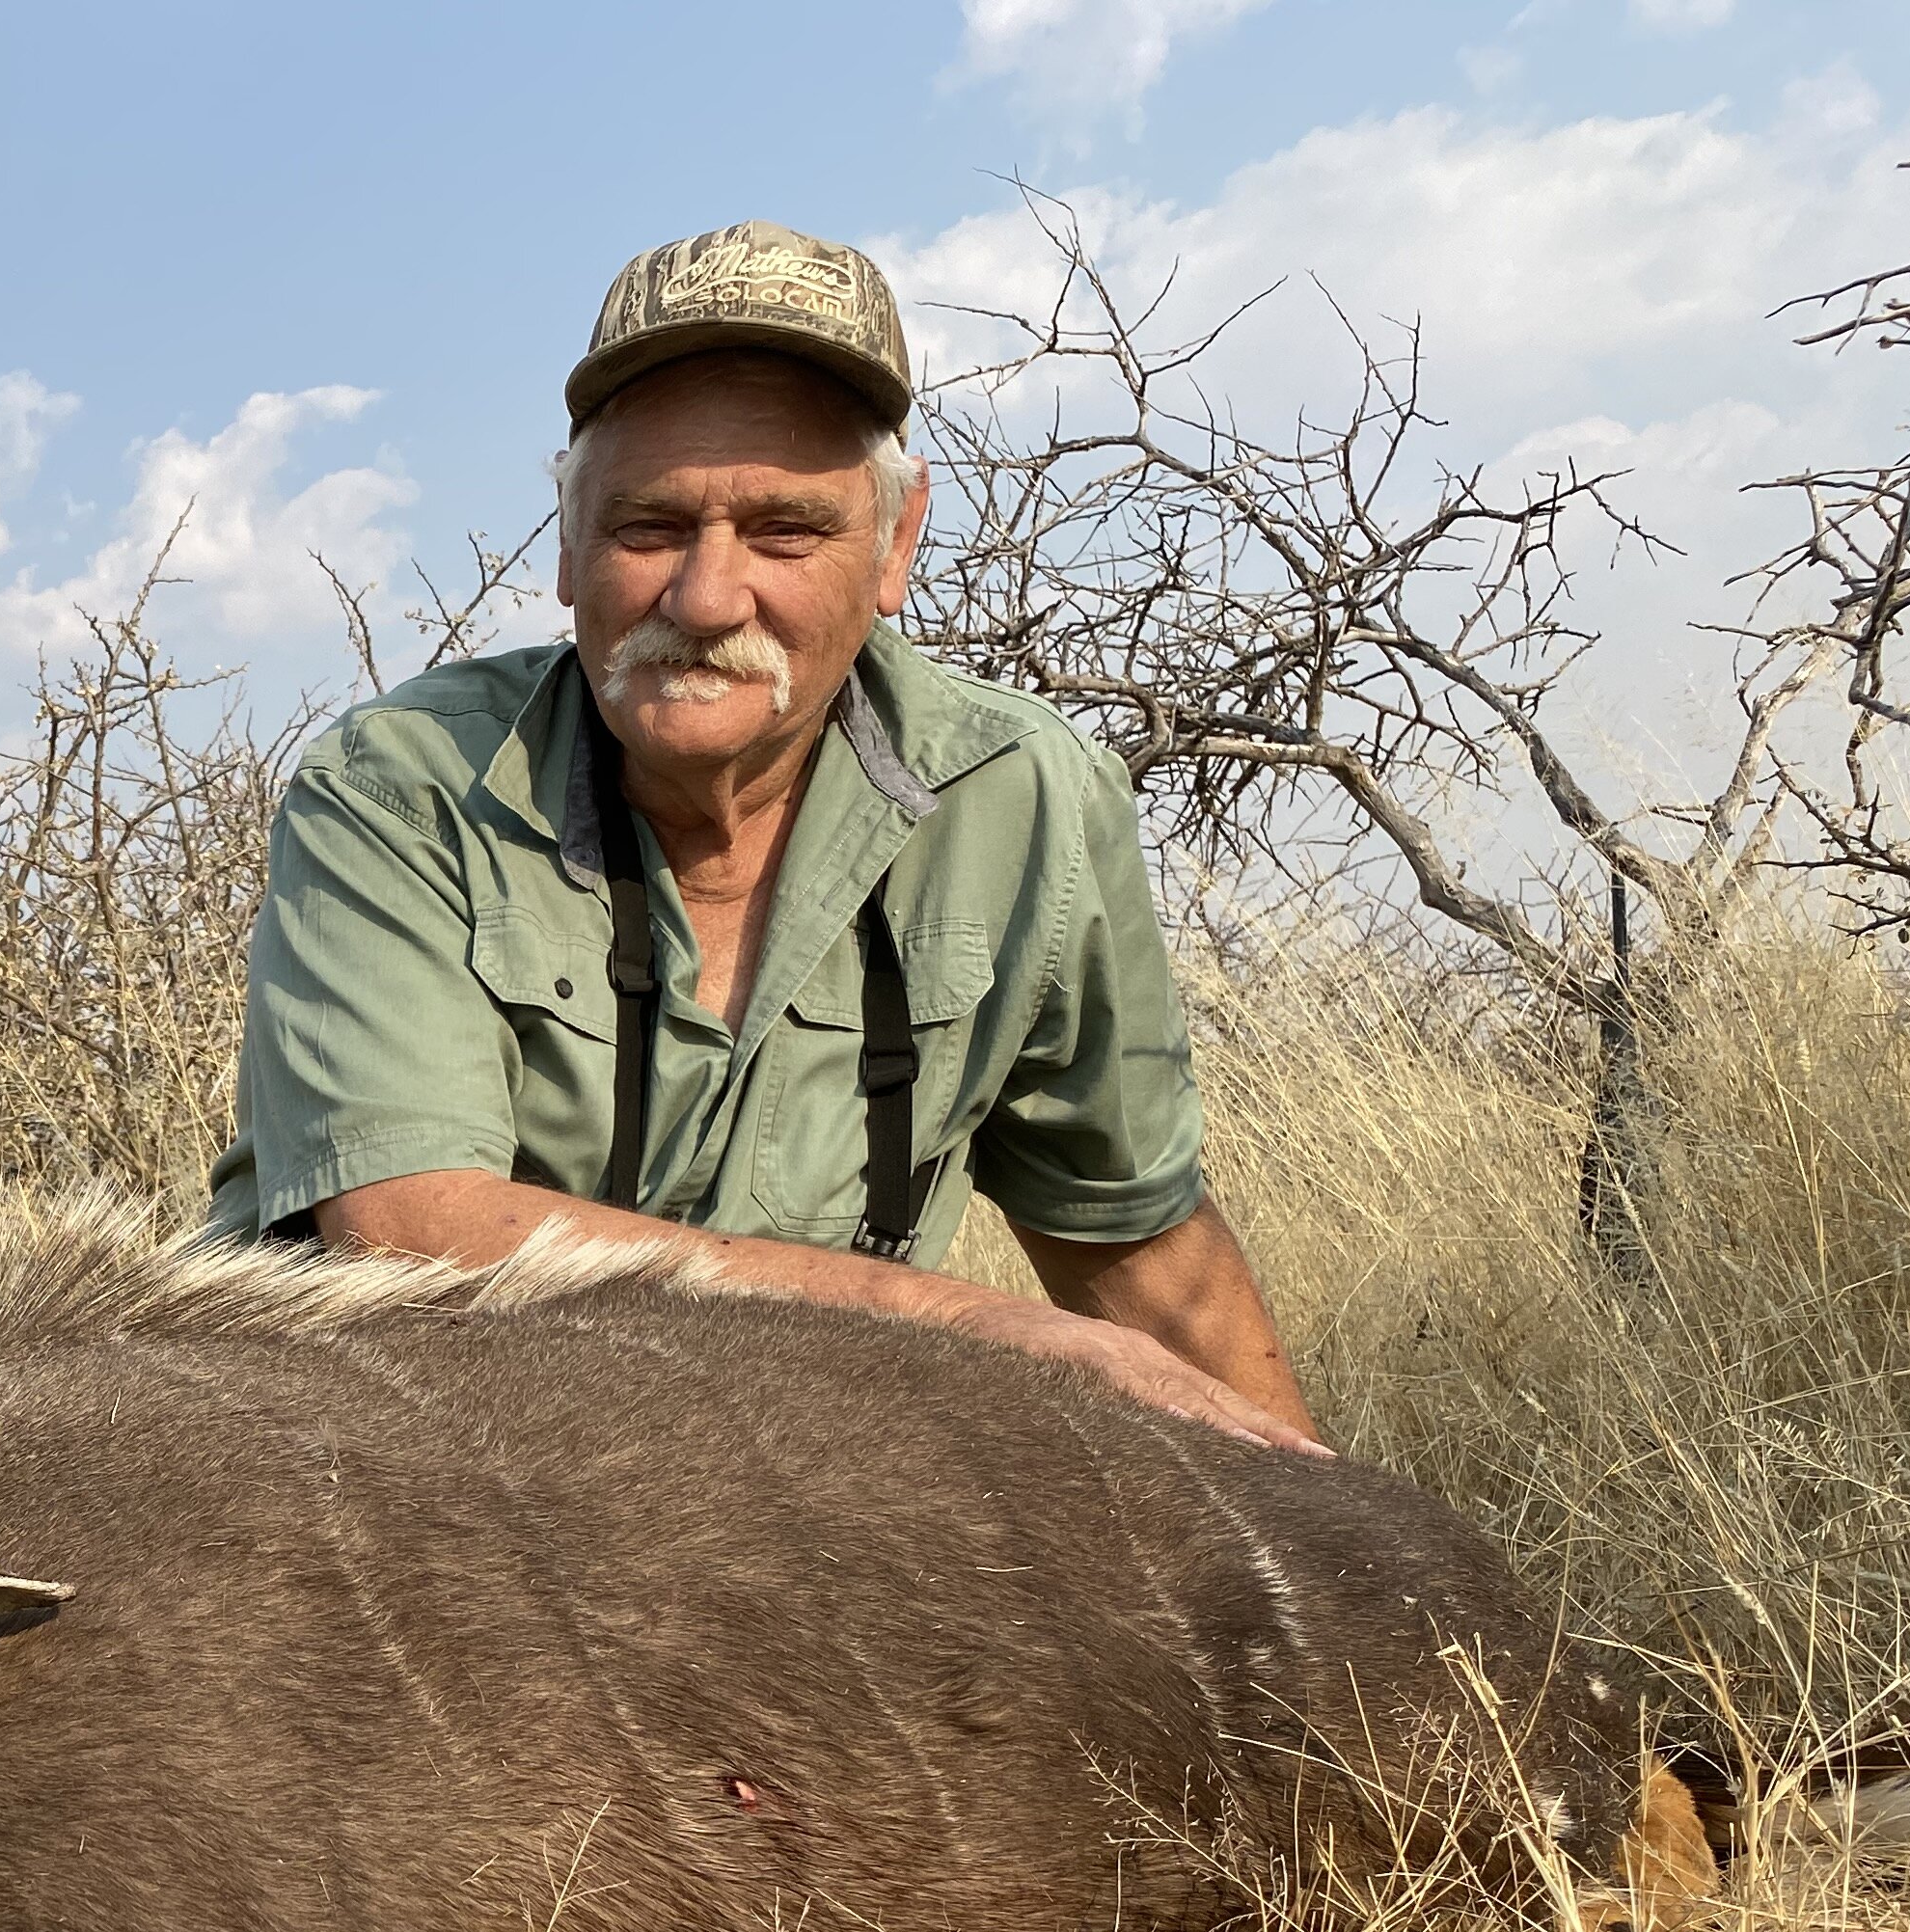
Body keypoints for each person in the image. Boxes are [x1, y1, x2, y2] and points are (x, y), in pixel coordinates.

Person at [205, 220, 1319, 1451]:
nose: (705, 598)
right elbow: (415, 1230)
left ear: (893, 546)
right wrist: (986, 1333)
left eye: (786, 532)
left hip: (778, 1491)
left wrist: (1354, 1569)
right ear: (567, 545)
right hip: (416, 1469)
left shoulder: (1027, 799)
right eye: (648, 528)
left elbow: (1136, 1247)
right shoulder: (399, 787)